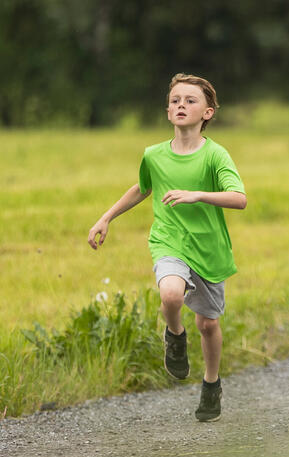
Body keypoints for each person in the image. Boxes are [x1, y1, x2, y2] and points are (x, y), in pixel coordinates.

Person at [87, 74, 247, 422]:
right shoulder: (154, 155)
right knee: (171, 295)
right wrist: (106, 217)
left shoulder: (215, 155)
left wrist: (197, 194)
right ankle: (175, 335)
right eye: (175, 100)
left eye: (190, 101)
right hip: (168, 240)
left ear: (208, 112)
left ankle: (211, 382)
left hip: (209, 249)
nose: (181, 105)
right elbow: (142, 188)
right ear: (167, 110)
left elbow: (239, 198)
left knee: (207, 325)